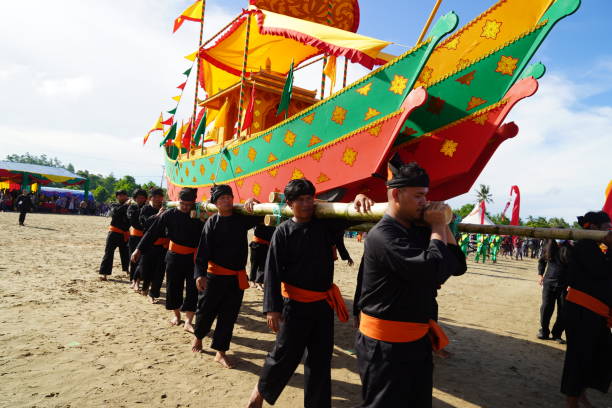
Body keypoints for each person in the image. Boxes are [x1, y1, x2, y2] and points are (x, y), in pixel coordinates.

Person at [246, 179, 372, 408]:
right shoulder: (283, 232)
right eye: (300, 200)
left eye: (309, 199)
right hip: (293, 305)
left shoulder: (326, 225)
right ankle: (258, 395)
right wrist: (272, 309)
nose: (306, 204)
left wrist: (358, 199)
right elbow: (272, 271)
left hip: (323, 305)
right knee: (284, 355)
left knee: (320, 359)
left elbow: (358, 217)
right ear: (291, 204)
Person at [353, 161, 466, 408]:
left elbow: (457, 266)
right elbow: (434, 270)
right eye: (418, 196)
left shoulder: (417, 229)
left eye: (426, 196)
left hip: (417, 342)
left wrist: (443, 224)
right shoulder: (383, 235)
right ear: (396, 194)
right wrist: (437, 225)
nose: (425, 202)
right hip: (383, 347)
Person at [191, 185, 261, 368]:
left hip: (236, 278)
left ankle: (220, 352)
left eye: (229, 197)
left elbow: (259, 217)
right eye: (221, 199)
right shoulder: (211, 223)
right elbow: (202, 252)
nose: (226, 201)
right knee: (206, 310)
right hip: (214, 277)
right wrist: (199, 275)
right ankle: (198, 338)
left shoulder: (240, 220)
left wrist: (254, 201)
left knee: (228, 316)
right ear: (215, 203)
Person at [132, 187, 202, 332]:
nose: (186, 207)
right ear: (178, 201)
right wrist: (138, 249)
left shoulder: (200, 216)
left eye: (189, 205)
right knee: (173, 287)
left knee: (192, 289)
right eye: (183, 203)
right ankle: (176, 315)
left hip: (193, 258)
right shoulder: (169, 214)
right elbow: (152, 232)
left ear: (194, 202)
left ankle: (189, 321)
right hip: (173, 257)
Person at [561, 211, 612, 408]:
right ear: (594, 228)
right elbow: (600, 271)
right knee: (579, 357)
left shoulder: (598, 247)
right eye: (607, 228)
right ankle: (572, 401)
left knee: (600, 354)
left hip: (597, 312)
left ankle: (580, 393)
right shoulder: (584, 245)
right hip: (581, 311)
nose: (609, 231)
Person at [537, 239, 571, 343]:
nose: (559, 240)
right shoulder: (548, 247)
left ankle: (557, 334)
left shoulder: (570, 249)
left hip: (565, 285)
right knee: (546, 308)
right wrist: (540, 275)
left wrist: (571, 283)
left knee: (564, 311)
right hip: (549, 282)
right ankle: (544, 331)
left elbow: (574, 268)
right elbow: (542, 261)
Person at [137, 188, 167, 303]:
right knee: (146, 270)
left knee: (159, 271)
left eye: (160, 197)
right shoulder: (145, 209)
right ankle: (145, 287)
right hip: (148, 244)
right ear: (151, 198)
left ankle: (153, 293)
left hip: (163, 246)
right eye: (156, 197)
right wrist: (157, 215)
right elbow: (144, 223)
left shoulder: (166, 209)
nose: (158, 199)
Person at [98, 190, 130, 280]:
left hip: (125, 234)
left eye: (124, 195)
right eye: (120, 195)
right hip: (114, 233)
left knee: (126, 254)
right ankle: (104, 274)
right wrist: (126, 205)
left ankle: (127, 270)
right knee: (108, 253)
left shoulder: (131, 206)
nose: (122, 197)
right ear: (117, 197)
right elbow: (116, 212)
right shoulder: (114, 205)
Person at [127, 189, 148, 291]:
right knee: (133, 259)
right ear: (135, 198)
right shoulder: (132, 207)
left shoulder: (148, 207)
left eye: (143, 197)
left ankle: (138, 281)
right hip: (134, 237)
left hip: (145, 237)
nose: (141, 199)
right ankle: (133, 280)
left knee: (142, 260)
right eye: (138, 197)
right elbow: (132, 219)